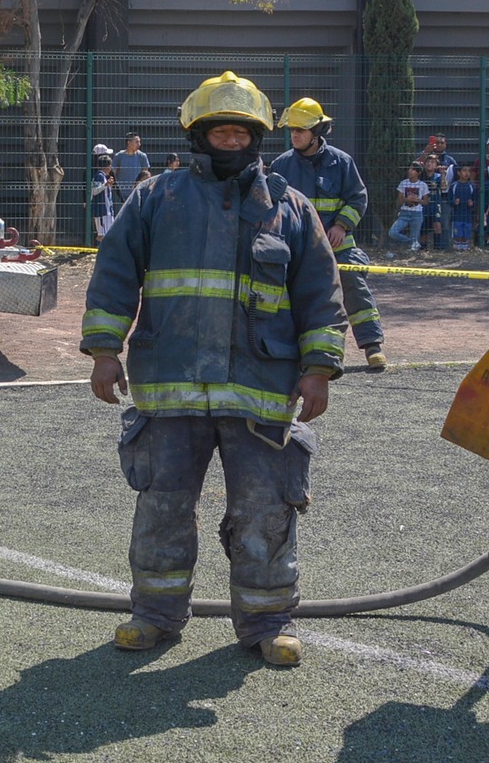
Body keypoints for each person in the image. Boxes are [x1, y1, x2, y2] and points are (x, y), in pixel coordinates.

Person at [82, 71, 346, 665]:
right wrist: (104, 350)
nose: (231, 141)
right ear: (197, 135)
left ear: (258, 138)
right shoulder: (155, 199)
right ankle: (154, 614)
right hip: (171, 389)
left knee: (266, 507)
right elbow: (115, 273)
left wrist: (320, 367)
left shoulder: (290, 209)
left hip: (260, 391)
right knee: (163, 505)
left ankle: (268, 622)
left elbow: (321, 295)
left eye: (241, 132)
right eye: (219, 131)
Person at [272, 96, 389, 370]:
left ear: (317, 133)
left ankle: (372, 346)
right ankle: (292, 352)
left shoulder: (341, 162)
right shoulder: (281, 166)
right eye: (292, 130)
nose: (295, 135)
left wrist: (341, 225)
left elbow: (358, 198)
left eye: (300, 130)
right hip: (297, 247)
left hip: (339, 246)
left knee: (353, 285)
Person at [388, 164, 429, 251]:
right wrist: (406, 199)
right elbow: (399, 201)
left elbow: (426, 202)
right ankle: (412, 242)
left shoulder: (423, 185)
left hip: (417, 213)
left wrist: (418, 200)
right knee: (393, 232)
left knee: (415, 236)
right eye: (409, 169)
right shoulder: (403, 183)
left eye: (413, 169)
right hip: (404, 212)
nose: (410, 171)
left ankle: (414, 245)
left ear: (419, 172)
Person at [450, 162, 478, 250]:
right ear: (458, 173)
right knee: (457, 230)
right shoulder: (454, 186)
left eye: (469, 171)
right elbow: (449, 199)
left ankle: (465, 245)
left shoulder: (471, 186)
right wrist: (454, 202)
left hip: (468, 215)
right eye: (464, 171)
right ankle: (457, 245)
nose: (467, 173)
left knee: (466, 230)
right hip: (456, 215)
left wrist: (472, 203)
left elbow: (476, 200)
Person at [90, 151, 118, 240]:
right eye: (110, 165)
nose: (111, 168)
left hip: (107, 210)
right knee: (103, 235)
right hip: (102, 210)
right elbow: (94, 191)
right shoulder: (99, 176)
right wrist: (105, 185)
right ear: (107, 166)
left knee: (108, 232)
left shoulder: (105, 177)